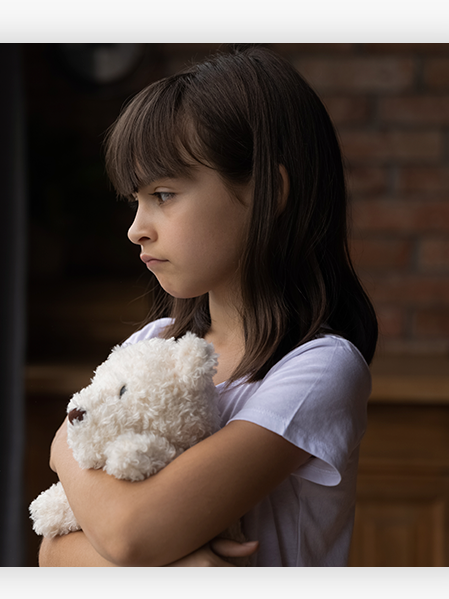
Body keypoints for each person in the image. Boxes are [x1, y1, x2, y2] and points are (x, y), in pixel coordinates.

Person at [38, 45, 378, 567]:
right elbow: (53, 552)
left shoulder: (317, 369)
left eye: (165, 194)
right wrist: (189, 570)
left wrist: (66, 445)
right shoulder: (151, 344)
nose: (136, 228)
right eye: (136, 199)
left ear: (268, 190)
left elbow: (131, 535)